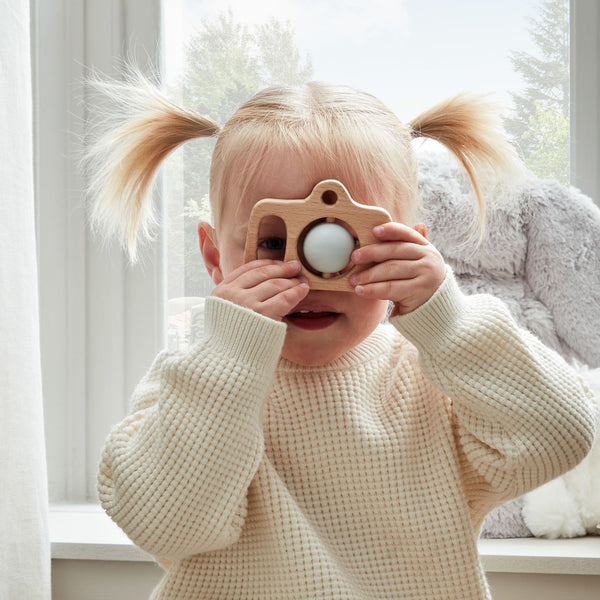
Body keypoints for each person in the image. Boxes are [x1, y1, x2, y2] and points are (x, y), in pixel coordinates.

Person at [91, 76, 597, 599]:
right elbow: (168, 525)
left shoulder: (433, 380)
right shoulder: (196, 384)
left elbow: (557, 440)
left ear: (410, 248)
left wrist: (446, 319)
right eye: (272, 240)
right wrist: (229, 359)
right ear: (215, 257)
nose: (310, 273)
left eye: (348, 238)